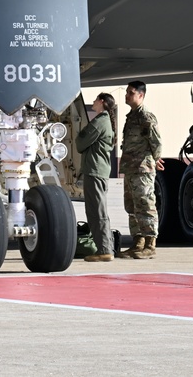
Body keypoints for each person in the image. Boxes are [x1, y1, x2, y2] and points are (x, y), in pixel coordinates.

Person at [119, 80, 163, 259]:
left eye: (130, 93)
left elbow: (156, 143)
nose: (127, 95)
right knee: (132, 206)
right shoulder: (131, 117)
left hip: (142, 169)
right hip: (130, 168)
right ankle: (138, 242)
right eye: (127, 92)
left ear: (141, 95)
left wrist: (155, 159)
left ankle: (150, 244)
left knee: (145, 204)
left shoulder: (146, 117)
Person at [77, 92, 117, 262]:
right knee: (95, 211)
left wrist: (81, 136)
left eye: (95, 100)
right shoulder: (104, 121)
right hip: (96, 171)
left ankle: (105, 250)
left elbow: (80, 144)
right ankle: (104, 248)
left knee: (97, 212)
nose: (93, 102)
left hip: (95, 171)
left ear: (102, 102)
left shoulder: (100, 121)